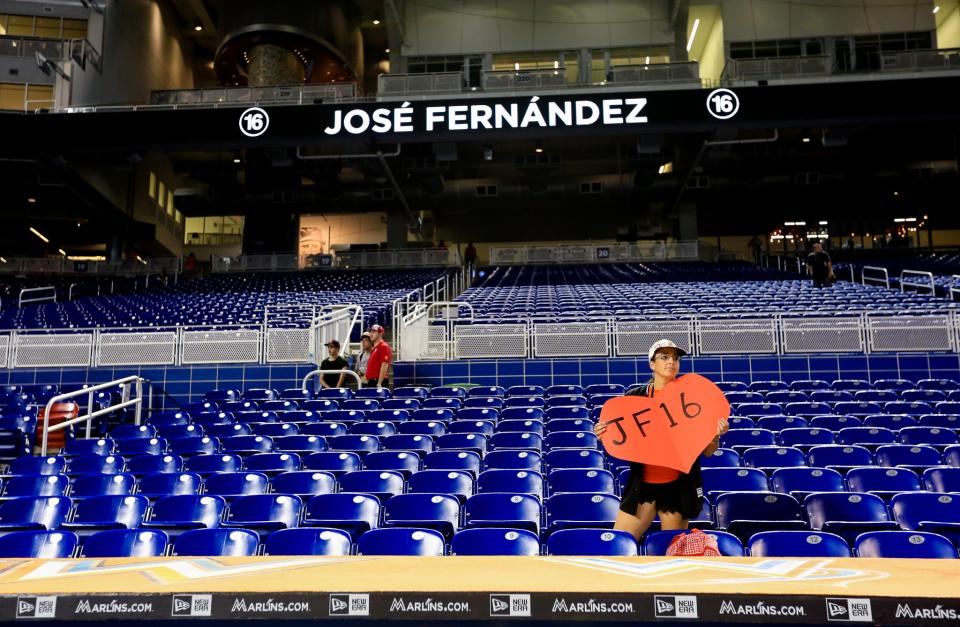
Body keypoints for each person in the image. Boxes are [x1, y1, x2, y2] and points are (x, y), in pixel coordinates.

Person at [594, 340, 729, 542]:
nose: (671, 361)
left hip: (677, 486)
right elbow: (624, 438)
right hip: (642, 486)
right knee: (620, 545)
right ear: (652, 364)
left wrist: (715, 435)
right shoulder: (635, 397)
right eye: (664, 357)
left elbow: (708, 452)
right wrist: (605, 433)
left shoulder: (693, 398)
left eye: (675, 358)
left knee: (671, 551)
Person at [365, 324, 392, 389]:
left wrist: (379, 383)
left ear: (380, 334)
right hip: (372, 381)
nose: (371, 334)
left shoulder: (383, 346)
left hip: (377, 381)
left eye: (374, 332)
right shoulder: (374, 348)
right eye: (371, 332)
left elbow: (384, 365)